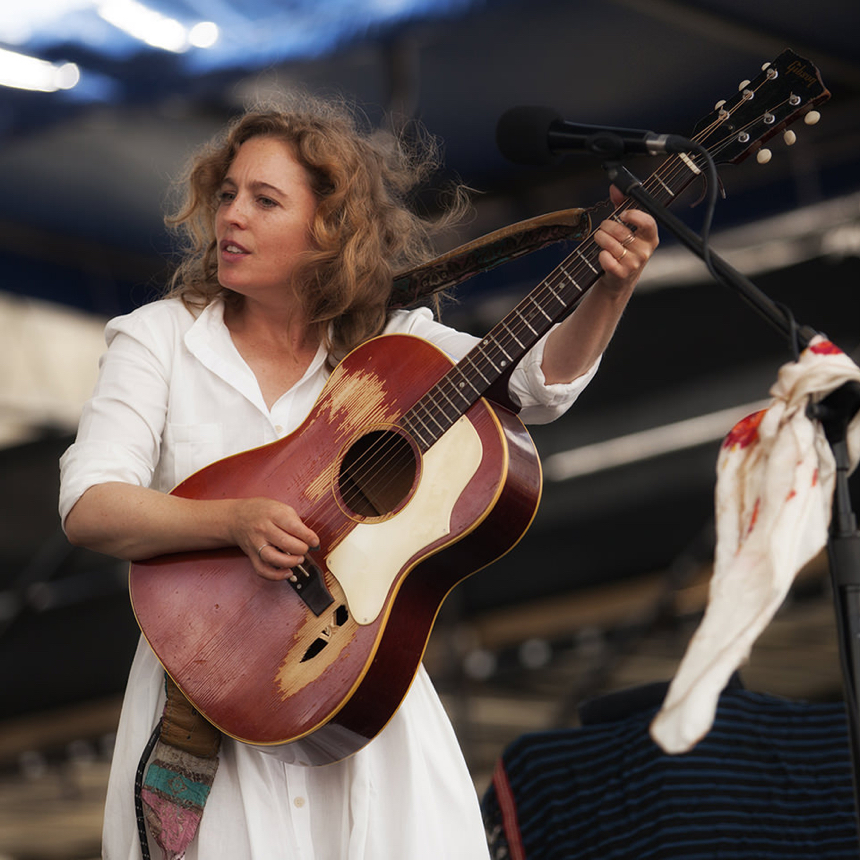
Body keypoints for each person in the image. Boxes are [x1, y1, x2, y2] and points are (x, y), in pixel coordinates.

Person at [59, 92, 658, 859]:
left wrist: (608, 290)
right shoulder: (159, 340)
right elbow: (91, 504)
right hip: (212, 698)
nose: (230, 216)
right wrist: (232, 521)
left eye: (264, 200)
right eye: (228, 195)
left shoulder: (393, 347)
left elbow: (535, 389)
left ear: (327, 230)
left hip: (365, 692)